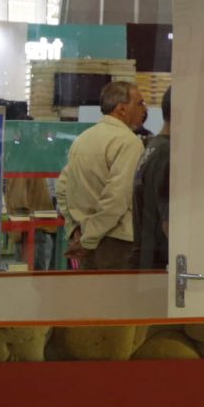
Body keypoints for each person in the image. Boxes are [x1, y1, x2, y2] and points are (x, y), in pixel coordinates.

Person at [54, 81, 146, 269]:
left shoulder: (82, 139)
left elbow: (62, 189)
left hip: (86, 242)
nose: (144, 109)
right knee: (115, 298)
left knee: (89, 297)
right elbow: (117, 199)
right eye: (139, 103)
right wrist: (89, 240)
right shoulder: (129, 143)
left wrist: (75, 231)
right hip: (115, 244)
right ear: (121, 109)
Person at [133, 111, 173, 271]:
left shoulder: (153, 146)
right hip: (158, 263)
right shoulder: (168, 152)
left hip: (145, 257)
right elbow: (168, 223)